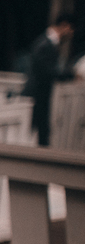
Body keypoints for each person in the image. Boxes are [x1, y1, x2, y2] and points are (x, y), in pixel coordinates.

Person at [21, 13, 75, 146]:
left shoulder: (48, 43)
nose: (71, 33)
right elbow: (47, 70)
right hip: (37, 96)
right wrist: (70, 75)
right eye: (71, 29)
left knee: (41, 132)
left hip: (42, 96)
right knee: (36, 133)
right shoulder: (44, 44)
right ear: (64, 25)